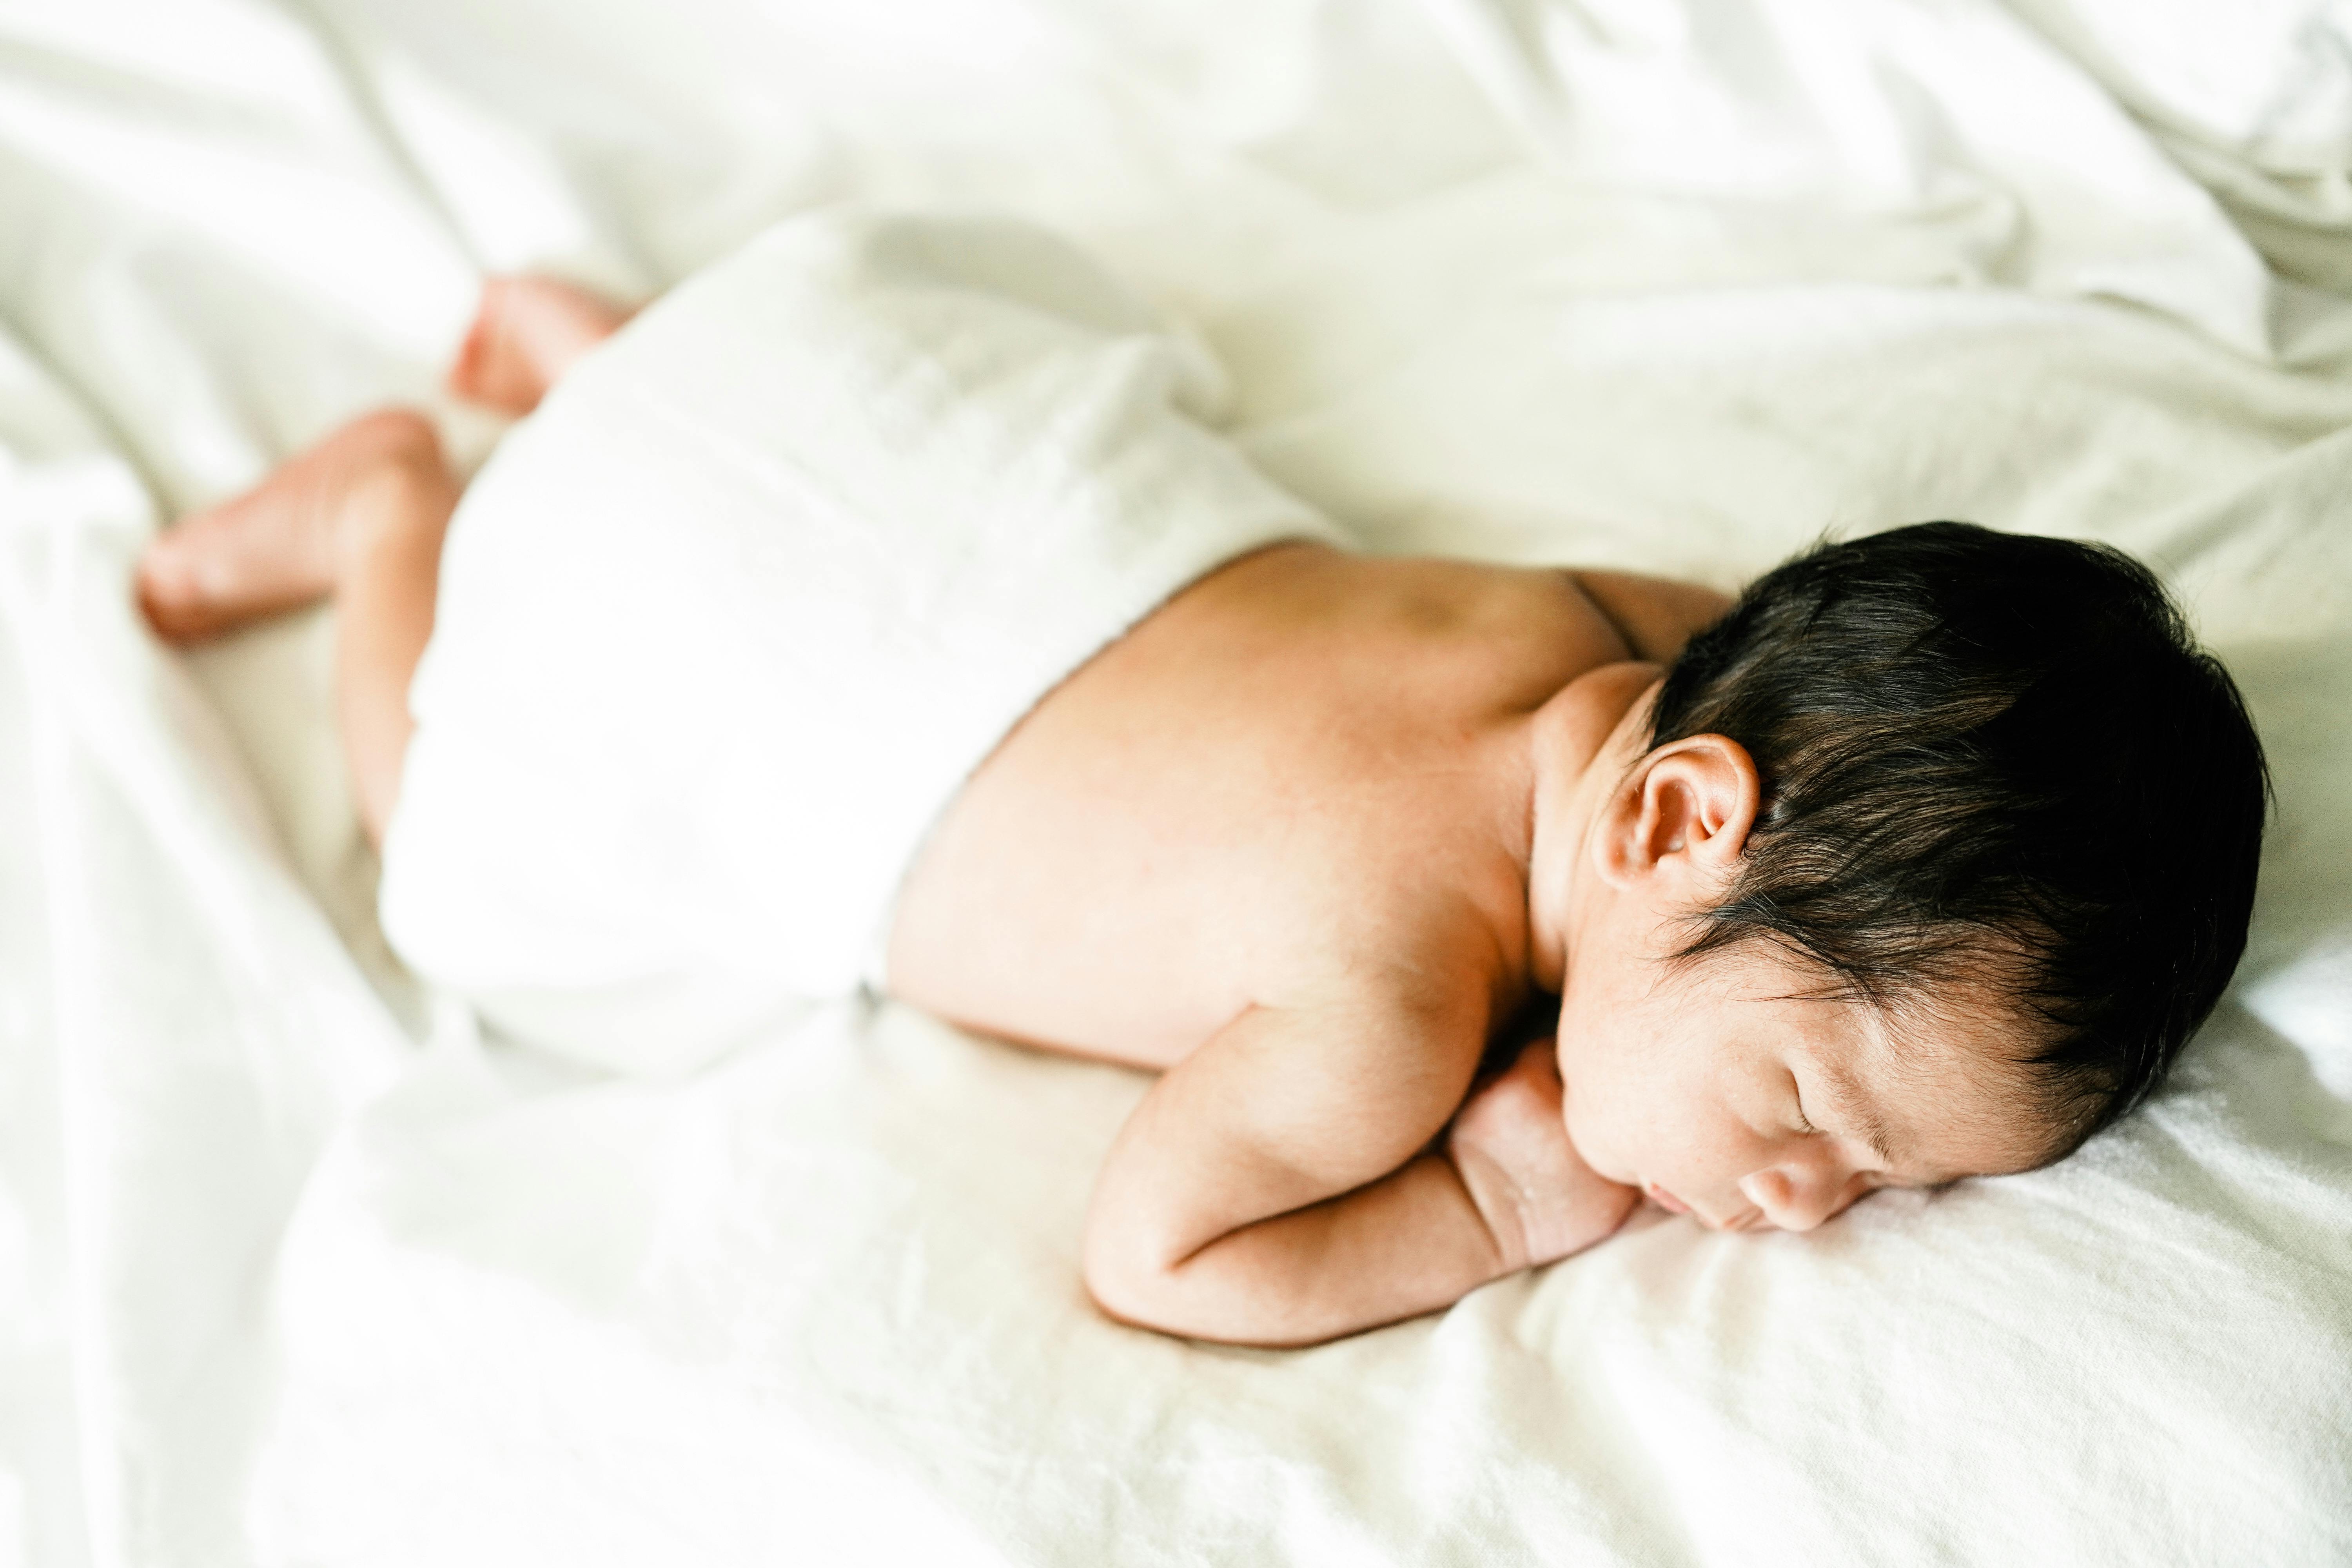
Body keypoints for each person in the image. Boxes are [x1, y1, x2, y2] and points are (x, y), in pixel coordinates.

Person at [133, 211, 2268, 1348]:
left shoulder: (1603, 644)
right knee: (443, 850)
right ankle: (389, 519)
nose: (1804, 1201)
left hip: (865, 427)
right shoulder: (1388, 1002)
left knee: (844, 484)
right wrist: (1491, 1202)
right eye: (1816, 1115)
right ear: (1670, 825)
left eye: (1880, 1190)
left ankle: (598, 360)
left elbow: (1787, 637)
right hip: (716, 649)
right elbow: (1161, 1257)